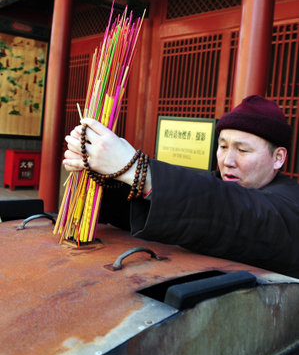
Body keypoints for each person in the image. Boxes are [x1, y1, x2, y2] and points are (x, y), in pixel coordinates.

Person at [63, 95, 299, 278]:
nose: (228, 160)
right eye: (223, 146)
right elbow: (175, 206)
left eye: (243, 150)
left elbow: (233, 211)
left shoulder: (289, 204)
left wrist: (135, 169)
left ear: (278, 157)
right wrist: (104, 175)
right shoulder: (214, 183)